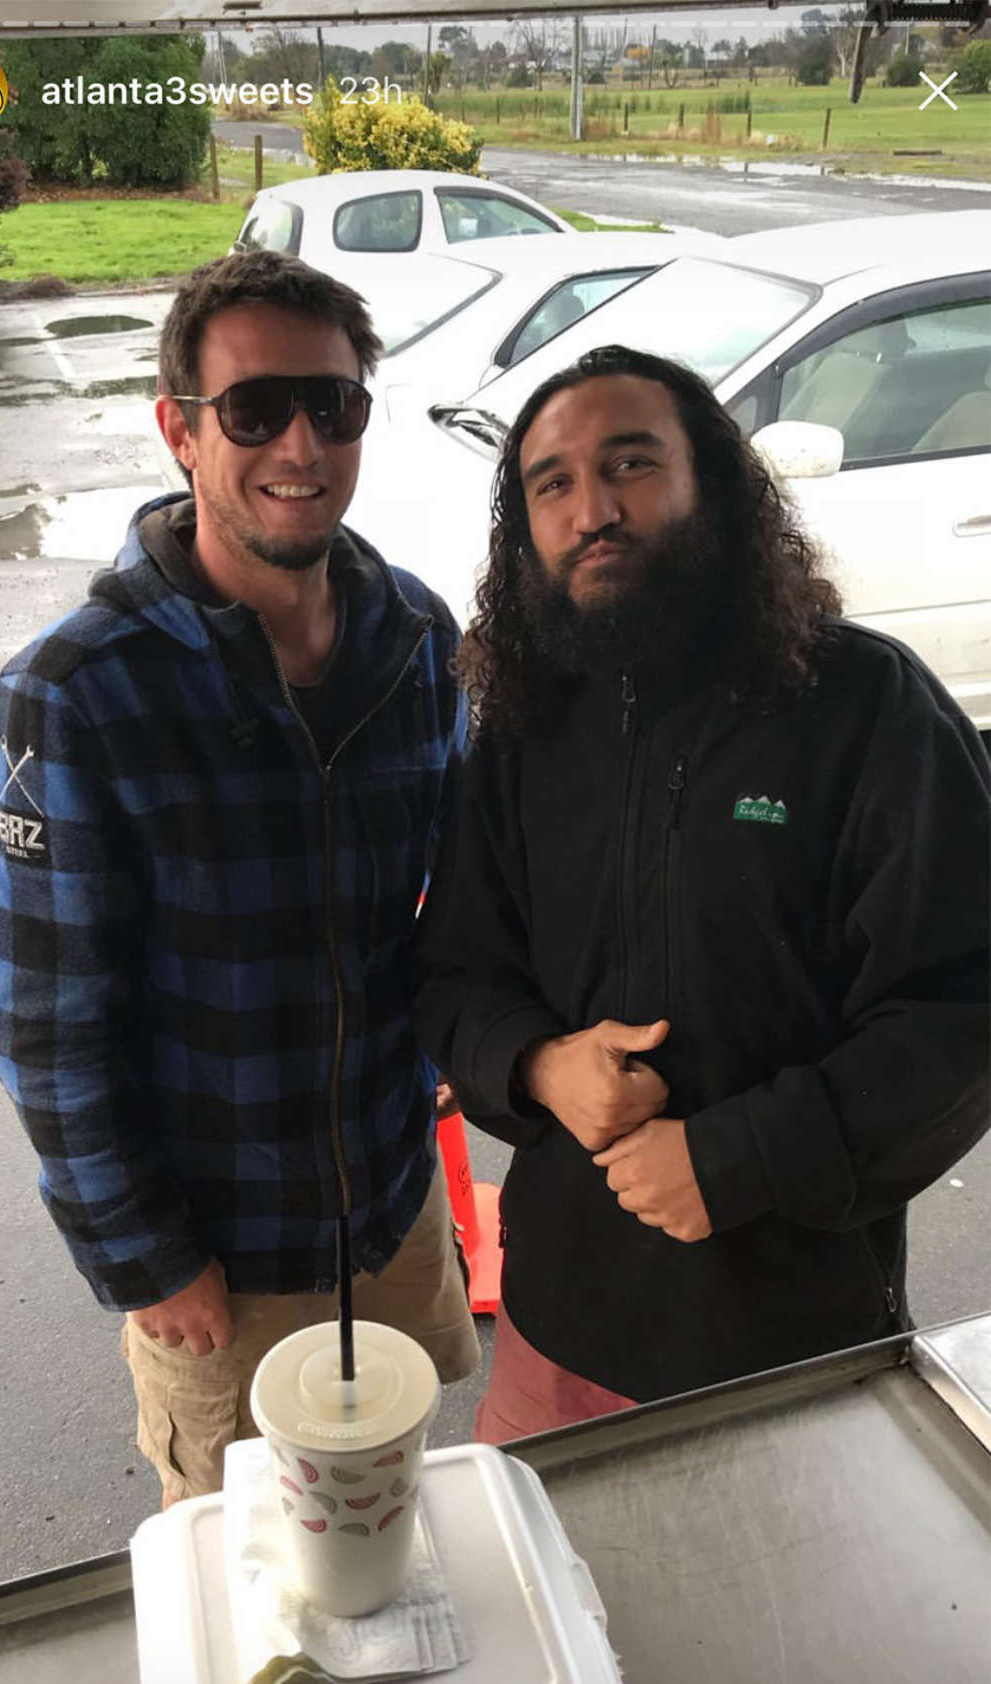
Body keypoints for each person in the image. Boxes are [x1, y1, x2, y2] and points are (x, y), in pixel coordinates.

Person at [0, 252, 478, 1505]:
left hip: (393, 1207)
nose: (298, 442)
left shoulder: (416, 638)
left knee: (404, 1512)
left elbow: (454, 898)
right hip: (215, 1261)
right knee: (254, 1577)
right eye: (253, 410)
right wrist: (143, 1254)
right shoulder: (72, 696)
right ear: (179, 433)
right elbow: (42, 1028)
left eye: (334, 405)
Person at [413, 344, 990, 1443]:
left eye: (629, 464)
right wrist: (539, 1064)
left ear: (709, 482)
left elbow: (959, 1013)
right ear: (524, 528)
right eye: (552, 483)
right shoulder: (525, 730)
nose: (593, 509)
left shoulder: (866, 711)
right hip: (557, 1335)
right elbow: (452, 977)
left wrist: (734, 1159)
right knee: (545, 1604)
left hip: (792, 1347)